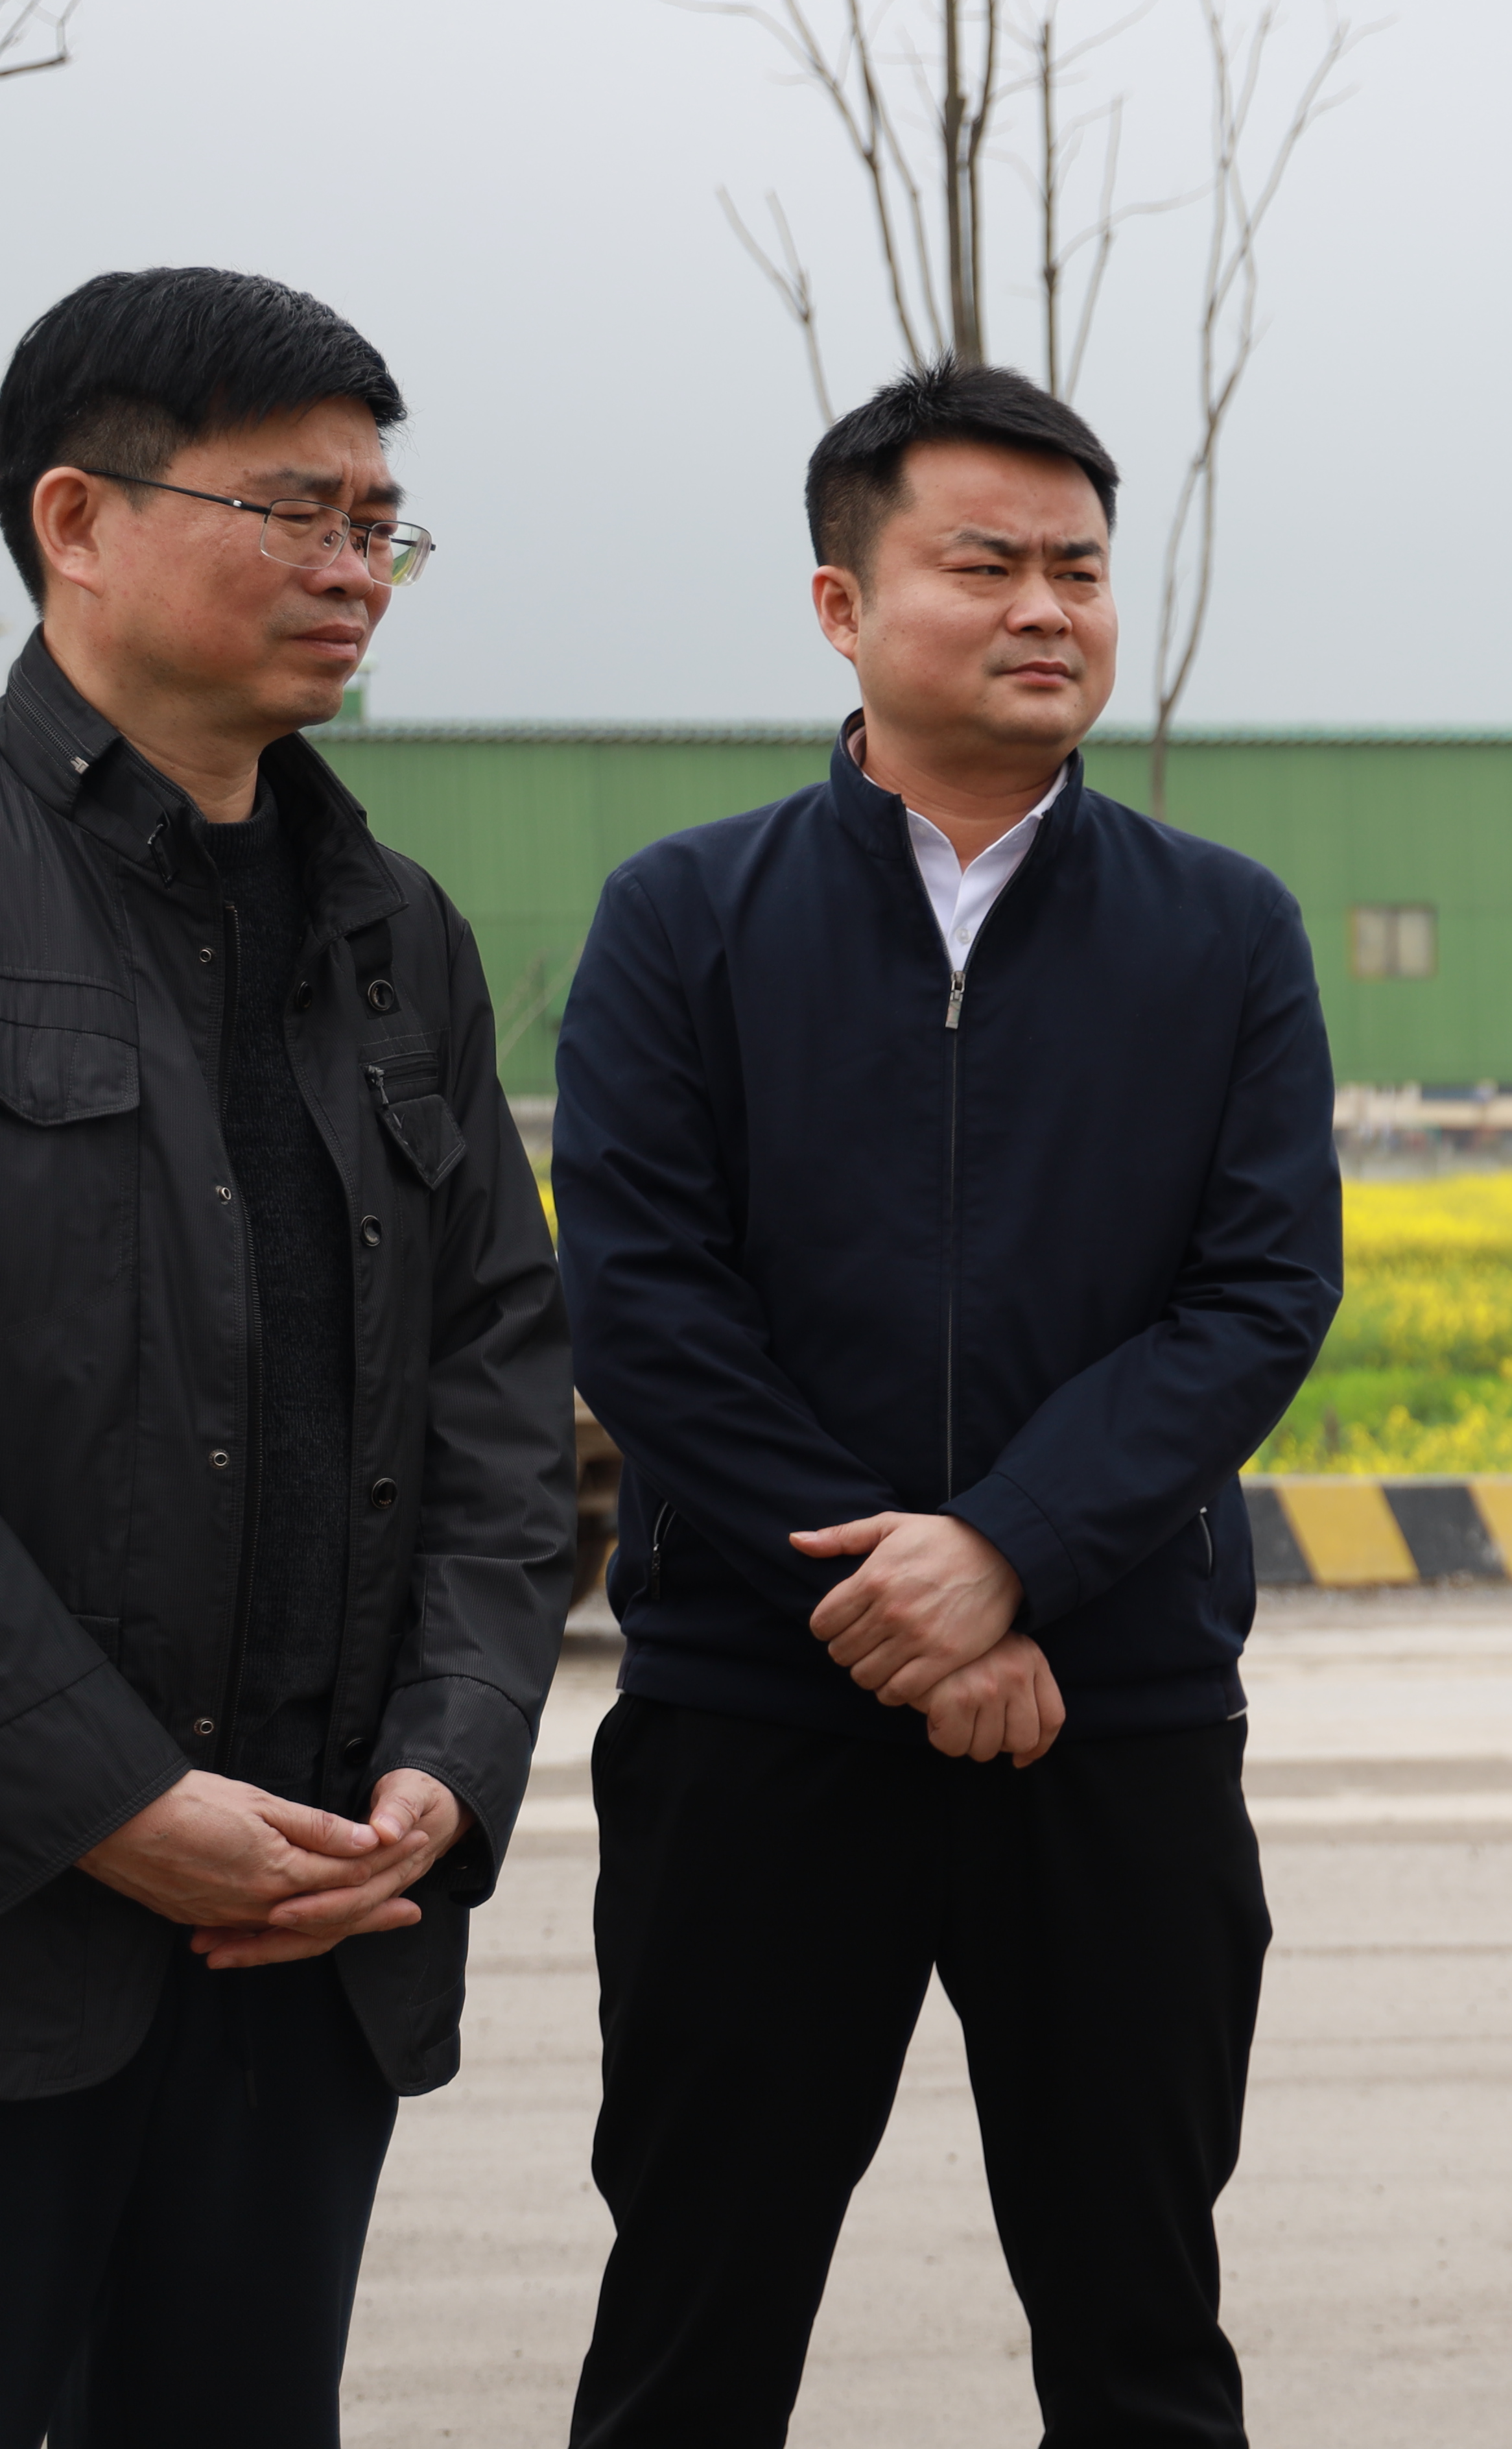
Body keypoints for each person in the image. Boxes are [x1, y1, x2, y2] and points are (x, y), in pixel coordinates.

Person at [551, 361, 1340, 2446]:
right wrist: (901, 1608)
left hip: (1110, 1717)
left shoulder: (1223, 933)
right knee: (697, 2310)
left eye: (1080, 567)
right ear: (842, 605)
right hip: (758, 1718)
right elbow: (644, 1304)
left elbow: (1260, 1295)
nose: (1046, 608)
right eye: (984, 564)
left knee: (1140, 2319)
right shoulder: (684, 919)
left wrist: (1007, 1554)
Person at [0, 268, 575, 2444]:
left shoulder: (391, 927)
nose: (354, 570)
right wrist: (110, 1802)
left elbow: (500, 1378)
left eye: (379, 525)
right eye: (295, 513)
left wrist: (451, 1763)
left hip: (312, 1926)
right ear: (76, 518)